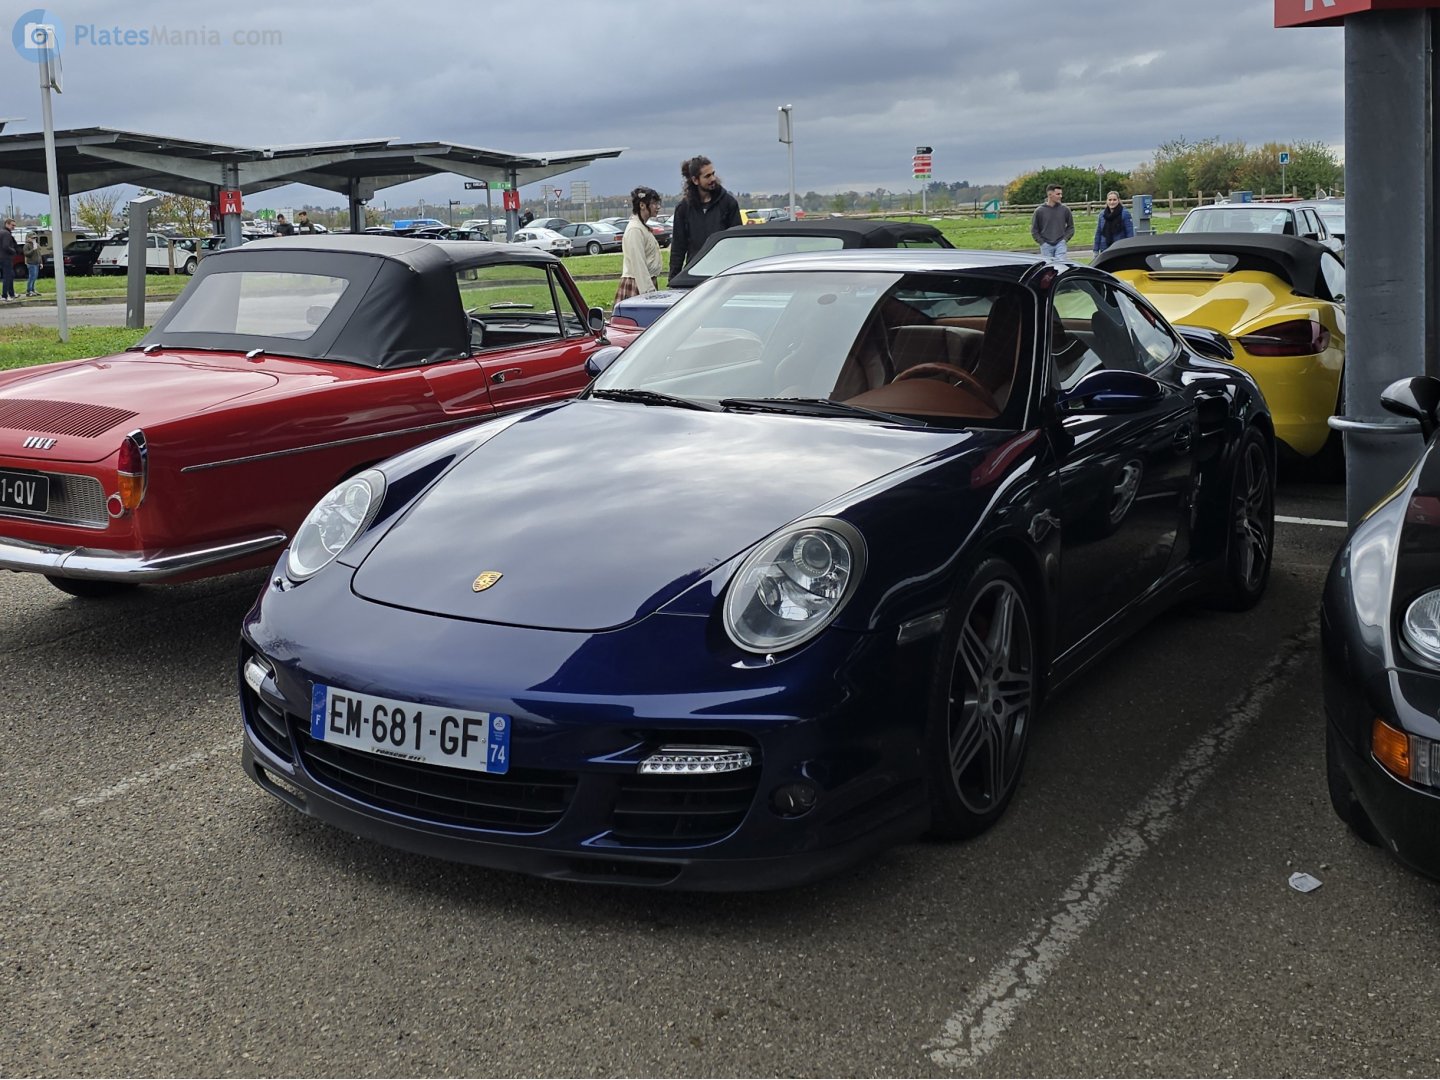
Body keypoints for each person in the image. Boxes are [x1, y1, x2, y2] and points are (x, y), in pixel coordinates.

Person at [669, 155, 741, 279]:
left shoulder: (729, 204)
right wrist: (673, 279)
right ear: (695, 180)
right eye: (707, 176)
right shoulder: (684, 208)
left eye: (713, 173)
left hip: (722, 274)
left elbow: (738, 243)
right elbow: (678, 248)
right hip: (694, 274)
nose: (713, 178)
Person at [615, 186, 665, 306]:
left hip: (644, 283)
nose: (658, 207)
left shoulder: (641, 227)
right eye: (653, 203)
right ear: (642, 205)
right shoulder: (635, 229)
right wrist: (648, 295)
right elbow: (639, 265)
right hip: (637, 286)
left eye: (658, 203)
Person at [1030, 183, 1074, 261]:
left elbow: (1071, 227)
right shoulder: (1039, 211)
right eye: (1058, 194)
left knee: (1060, 265)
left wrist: (1065, 239)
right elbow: (1034, 230)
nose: (1060, 196)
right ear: (1050, 194)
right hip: (1046, 245)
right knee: (1049, 268)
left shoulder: (1065, 210)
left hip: (1060, 243)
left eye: (1061, 194)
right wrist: (1042, 242)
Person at [1092, 190, 1135, 255]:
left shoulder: (1125, 213)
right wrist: (1096, 250)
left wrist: (1129, 249)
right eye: (1110, 200)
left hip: (1120, 248)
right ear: (1107, 201)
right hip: (1105, 249)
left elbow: (1130, 233)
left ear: (1118, 200)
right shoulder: (1102, 215)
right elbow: (1098, 232)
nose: (1112, 202)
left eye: (1114, 200)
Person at [0, 219, 17, 301]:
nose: (14, 227)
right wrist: (13, 251)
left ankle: (11, 293)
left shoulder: (1, 232)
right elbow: (6, 246)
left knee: (11, 275)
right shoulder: (6, 234)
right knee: (7, 276)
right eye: (12, 225)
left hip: (2, 257)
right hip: (6, 257)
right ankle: (4, 295)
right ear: (7, 224)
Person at [23, 232, 41, 297]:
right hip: (31, 263)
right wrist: (33, 250)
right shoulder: (27, 245)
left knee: (35, 277)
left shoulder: (37, 245)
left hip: (37, 263)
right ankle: (29, 290)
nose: (34, 239)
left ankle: (33, 289)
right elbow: (26, 254)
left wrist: (41, 262)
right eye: (32, 238)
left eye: (35, 238)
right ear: (28, 238)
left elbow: (39, 254)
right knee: (31, 277)